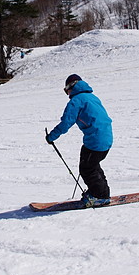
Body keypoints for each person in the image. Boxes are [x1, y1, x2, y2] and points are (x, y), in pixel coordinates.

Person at [46, 74, 113, 207]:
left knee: (87, 168)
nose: (67, 94)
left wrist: (51, 137)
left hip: (95, 140)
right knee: (92, 166)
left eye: (66, 90)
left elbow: (66, 123)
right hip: (106, 137)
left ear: (71, 87)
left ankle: (99, 196)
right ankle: (102, 193)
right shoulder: (92, 97)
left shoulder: (76, 101)